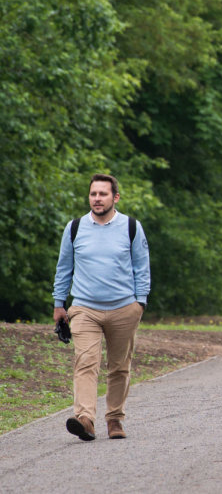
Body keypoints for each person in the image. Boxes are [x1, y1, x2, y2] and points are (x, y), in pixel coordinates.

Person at [52, 174, 151, 441]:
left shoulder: (131, 226)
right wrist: (59, 304)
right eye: (93, 194)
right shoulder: (74, 228)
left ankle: (115, 419)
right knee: (85, 362)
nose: (97, 198)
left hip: (124, 308)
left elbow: (142, 268)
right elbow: (64, 269)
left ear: (115, 197)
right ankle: (85, 419)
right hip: (84, 308)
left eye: (103, 194)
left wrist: (139, 303)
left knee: (119, 367)